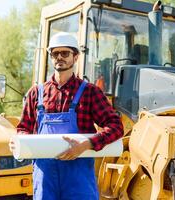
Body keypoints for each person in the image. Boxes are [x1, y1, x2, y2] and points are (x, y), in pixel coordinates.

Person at [12, 32, 123, 200]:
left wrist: (87, 144)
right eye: (55, 53)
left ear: (76, 57)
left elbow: (116, 126)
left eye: (65, 53)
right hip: (45, 177)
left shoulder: (90, 92)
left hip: (78, 178)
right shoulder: (36, 93)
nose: (59, 57)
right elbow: (23, 129)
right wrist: (19, 142)